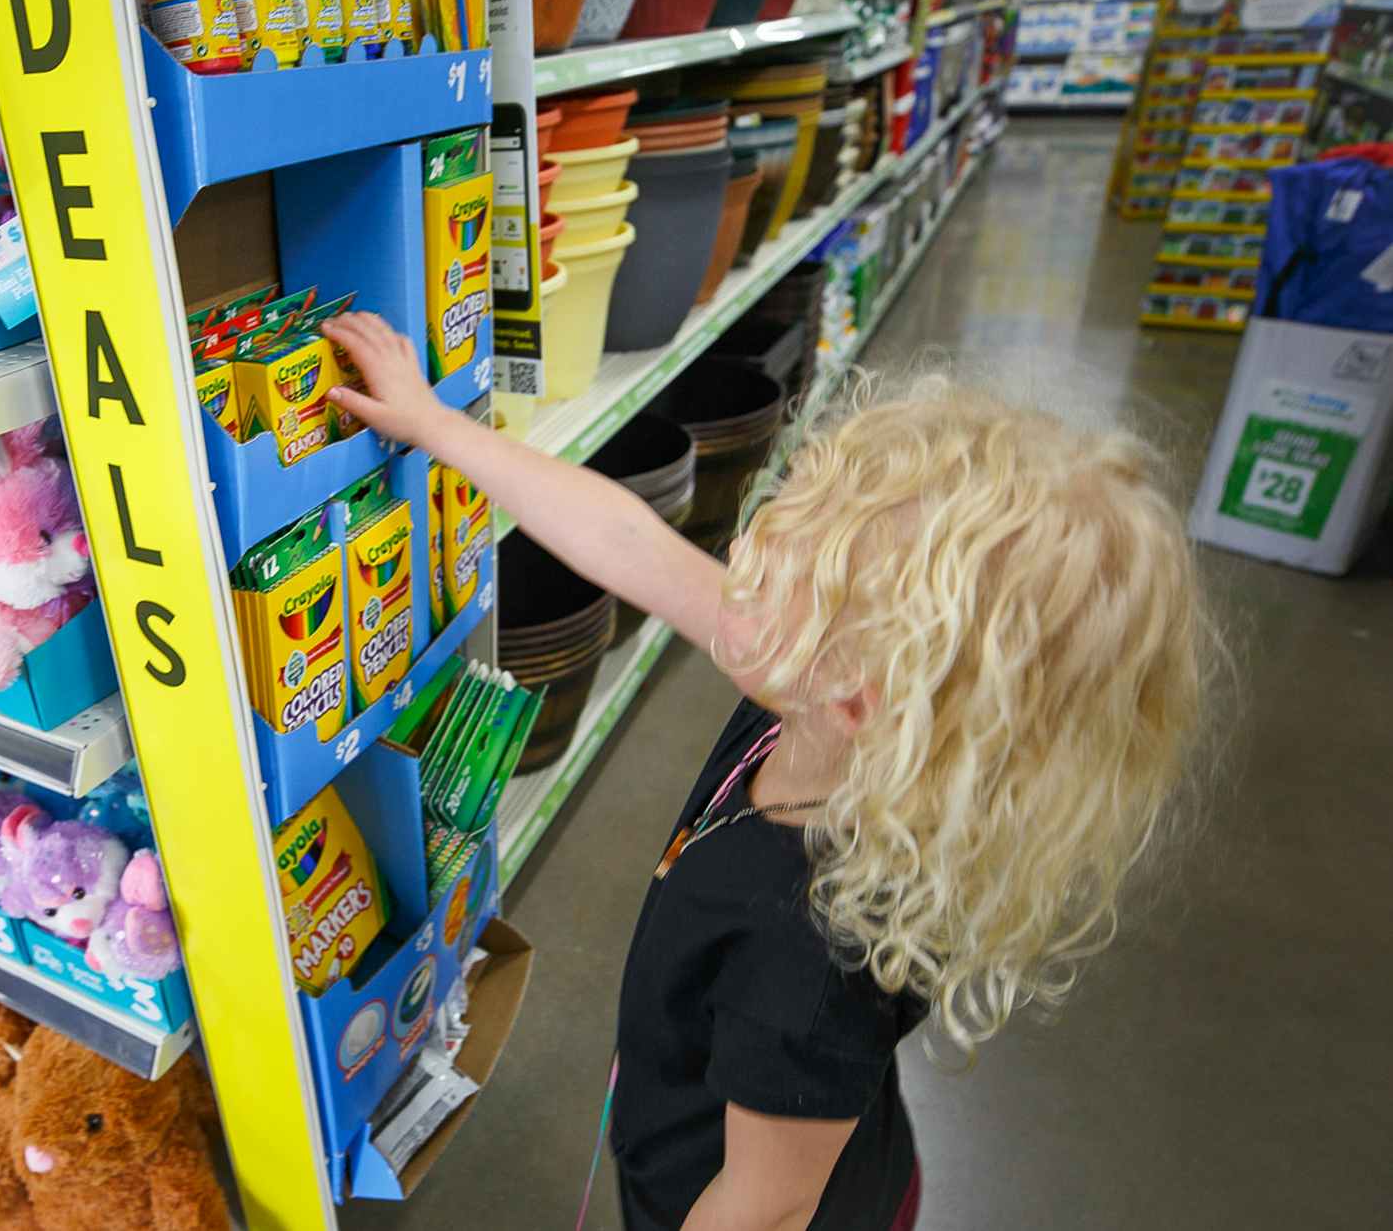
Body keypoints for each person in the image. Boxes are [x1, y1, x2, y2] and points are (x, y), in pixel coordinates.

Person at [323, 312, 1207, 1231]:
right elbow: (630, 542)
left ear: (857, 693)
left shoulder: (809, 955)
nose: (737, 554)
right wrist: (435, 424)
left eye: (776, 568)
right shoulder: (822, 704)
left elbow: (765, 1206)